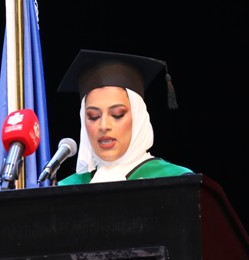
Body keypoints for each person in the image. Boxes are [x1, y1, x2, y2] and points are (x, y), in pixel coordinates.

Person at [56, 49, 194, 185]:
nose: (104, 126)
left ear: (138, 118)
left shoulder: (177, 181)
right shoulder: (66, 188)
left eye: (117, 115)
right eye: (93, 116)